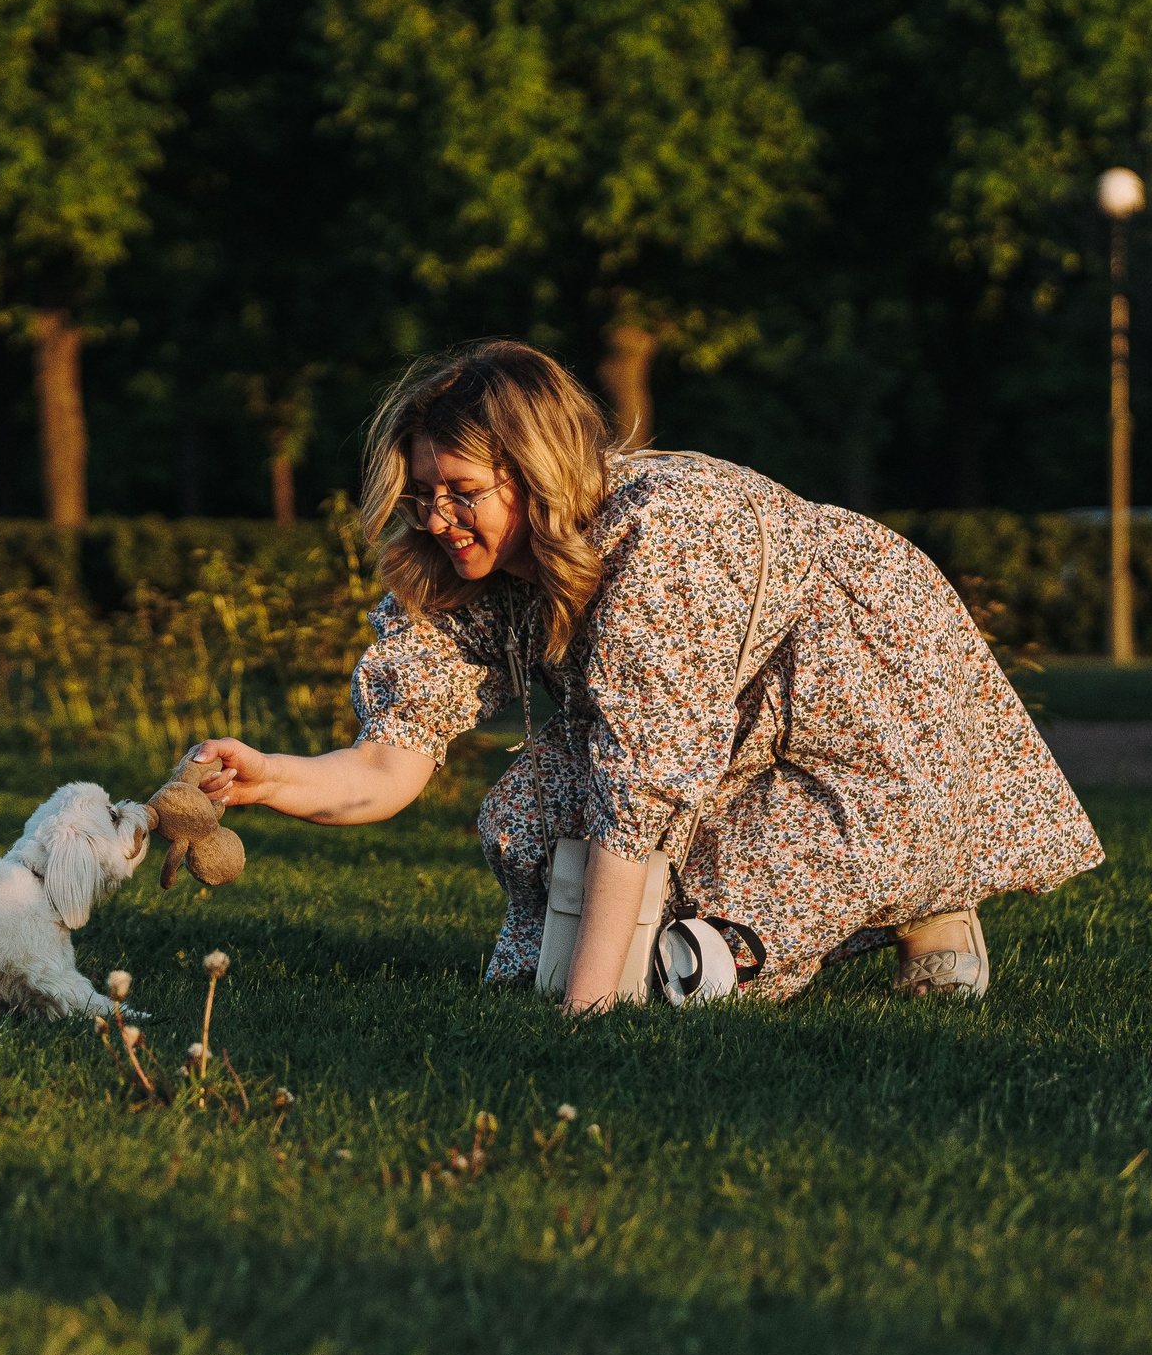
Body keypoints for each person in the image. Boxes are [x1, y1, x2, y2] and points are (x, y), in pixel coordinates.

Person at [193, 339, 1102, 1013]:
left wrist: (590, 1014)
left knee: (729, 934)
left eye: (459, 489)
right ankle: (696, 945)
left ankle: (928, 910)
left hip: (856, 671)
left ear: (533, 474)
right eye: (423, 491)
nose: (434, 516)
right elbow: (392, 762)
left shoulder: (661, 536)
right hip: (717, 707)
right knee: (530, 821)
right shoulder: (460, 569)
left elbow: (639, 783)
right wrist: (274, 777)